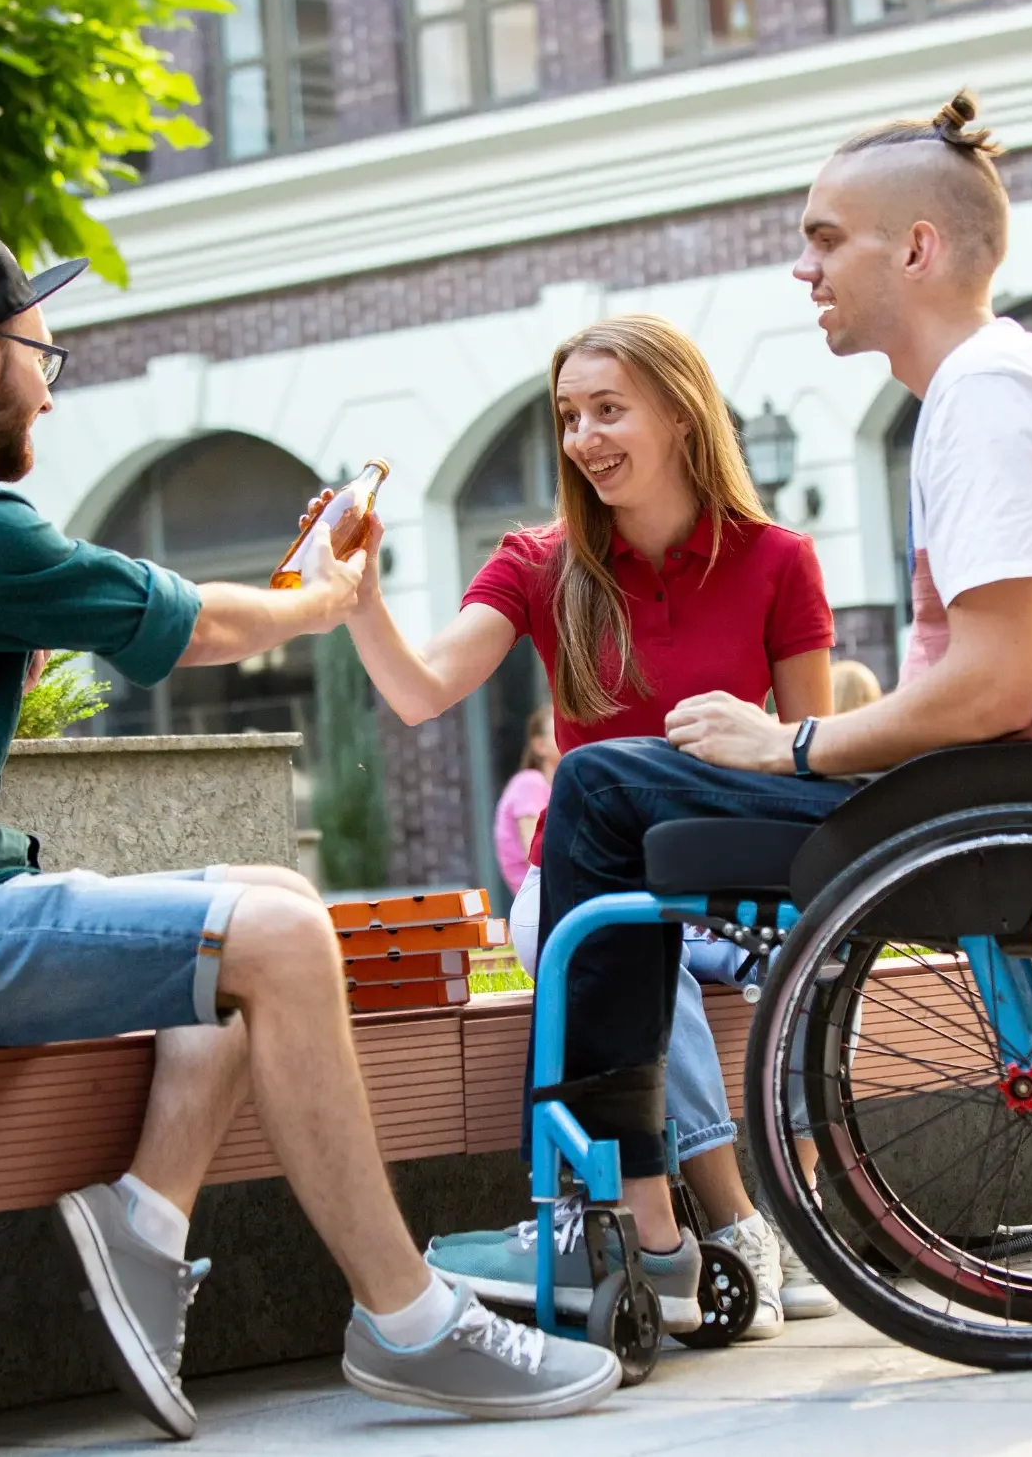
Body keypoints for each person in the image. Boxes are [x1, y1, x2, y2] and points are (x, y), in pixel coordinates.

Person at [0, 227, 621, 1440]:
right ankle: (407, 1317)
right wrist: (326, 595)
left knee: (262, 896)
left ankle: (146, 1227)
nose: (54, 385)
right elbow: (196, 626)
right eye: (49, 356)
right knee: (273, 934)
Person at [478, 91, 1032, 1291]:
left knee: (591, 789)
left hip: (983, 803)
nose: (804, 268)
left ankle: (619, 1218)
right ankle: (641, 1215)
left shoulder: (984, 396)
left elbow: (994, 685)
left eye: (826, 238)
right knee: (613, 795)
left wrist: (791, 742)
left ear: (917, 247)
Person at [328, 313, 836, 1338]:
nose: (583, 439)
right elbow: (423, 693)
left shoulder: (778, 560)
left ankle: (765, 1217)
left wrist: (764, 736)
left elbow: (809, 768)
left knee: (799, 958)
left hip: (733, 879)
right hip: (597, 882)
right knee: (592, 934)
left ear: (682, 417)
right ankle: (732, 1227)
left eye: (609, 411)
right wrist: (360, 598)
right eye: (569, 416)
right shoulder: (537, 563)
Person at [493, 706, 560, 896]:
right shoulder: (531, 782)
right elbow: (534, 853)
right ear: (539, 745)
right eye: (558, 730)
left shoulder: (548, 787)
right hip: (540, 898)